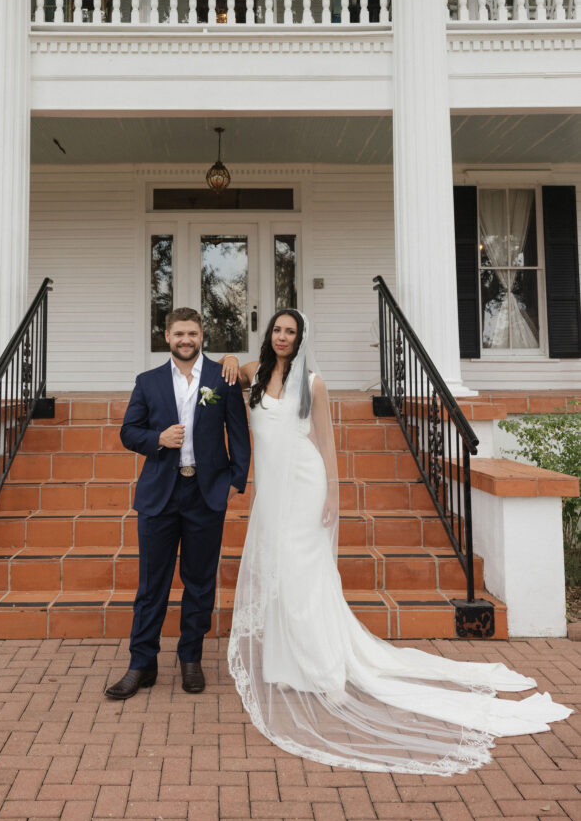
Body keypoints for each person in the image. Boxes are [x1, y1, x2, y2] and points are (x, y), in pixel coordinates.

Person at [221, 309, 572, 774]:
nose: (283, 337)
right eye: (277, 330)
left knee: (305, 573)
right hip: (272, 491)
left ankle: (322, 668)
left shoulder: (315, 384)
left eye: (291, 331)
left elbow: (327, 446)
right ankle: (286, 667)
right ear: (270, 336)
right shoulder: (256, 374)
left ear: (302, 338)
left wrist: (333, 498)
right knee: (280, 573)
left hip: (305, 487)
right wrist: (227, 353)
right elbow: (232, 367)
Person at [105, 307, 251, 701]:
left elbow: (238, 430)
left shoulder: (223, 377)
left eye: (192, 333)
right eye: (178, 334)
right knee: (152, 584)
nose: (186, 340)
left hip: (206, 494)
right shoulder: (148, 381)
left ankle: (191, 658)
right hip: (160, 495)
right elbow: (128, 431)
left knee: (199, 582)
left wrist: (236, 479)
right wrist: (157, 438)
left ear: (202, 335)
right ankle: (142, 663)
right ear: (166, 336)